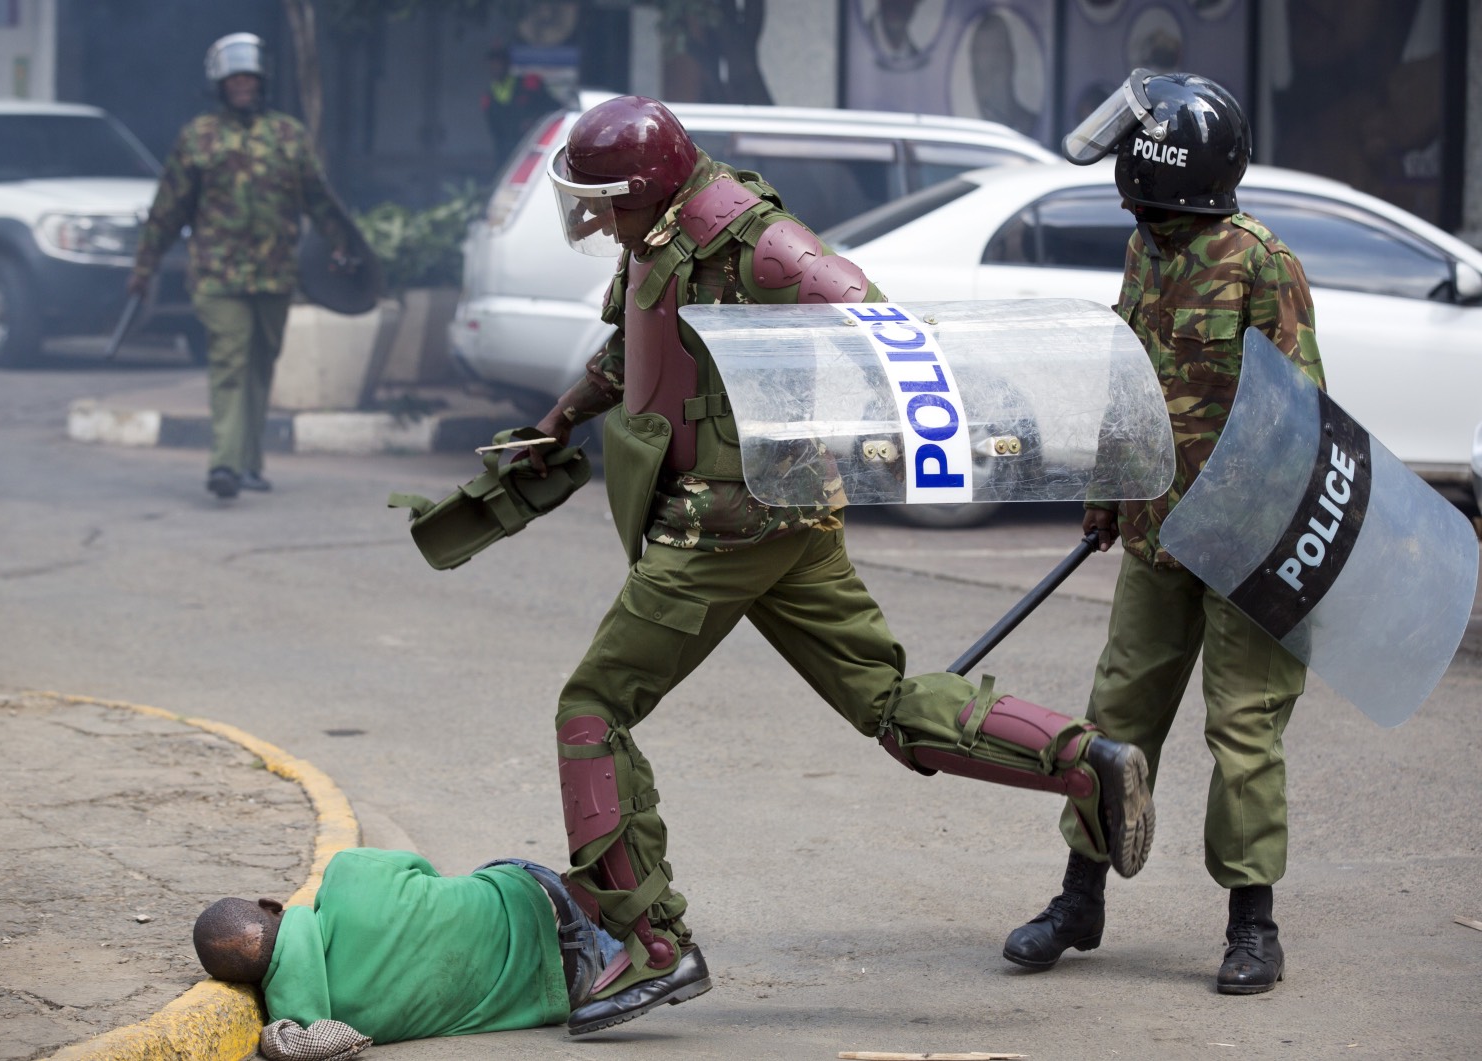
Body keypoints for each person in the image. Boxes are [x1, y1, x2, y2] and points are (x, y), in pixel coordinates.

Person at [528, 95, 1160, 1036]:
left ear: (650, 186)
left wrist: (881, 435)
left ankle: (650, 947)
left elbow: (872, 321)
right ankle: (1087, 760)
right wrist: (562, 414)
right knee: (887, 699)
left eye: (603, 200)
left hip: (723, 528)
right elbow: (635, 347)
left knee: (592, 711)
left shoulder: (759, 240)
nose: (593, 219)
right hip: (781, 520)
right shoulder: (658, 229)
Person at [1003, 71, 1324, 995]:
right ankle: (1080, 897)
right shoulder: (1147, 252)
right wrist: (1108, 492)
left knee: (1244, 732)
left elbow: (1301, 413)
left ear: (1163, 171)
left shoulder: (1262, 262)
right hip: (1155, 536)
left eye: (1139, 181)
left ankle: (1252, 925)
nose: (1134, 204)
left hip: (1248, 547)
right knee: (1116, 720)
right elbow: (1128, 379)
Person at [128, 32, 352, 500]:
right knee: (230, 362)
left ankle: (250, 463)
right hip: (218, 276)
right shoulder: (199, 138)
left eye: (250, 78)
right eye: (235, 80)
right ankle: (225, 465)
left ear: (262, 81)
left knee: (259, 365)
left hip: (274, 274)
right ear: (220, 84)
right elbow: (167, 209)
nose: (243, 86)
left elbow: (319, 199)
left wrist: (344, 246)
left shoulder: (288, 135)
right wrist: (144, 266)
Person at [192, 848, 625, 1054]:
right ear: (272, 905)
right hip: (539, 901)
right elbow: (426, 872)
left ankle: (623, 950)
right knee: (487, 872)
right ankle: (621, 909)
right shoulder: (349, 872)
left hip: (569, 989)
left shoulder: (322, 1020)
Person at [480, 44, 558, 169]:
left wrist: (534, 121)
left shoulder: (528, 85)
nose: (495, 67)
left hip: (532, 145)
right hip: (504, 150)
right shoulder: (489, 96)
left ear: (507, 64)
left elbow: (553, 107)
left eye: (498, 63)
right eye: (491, 64)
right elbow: (494, 127)